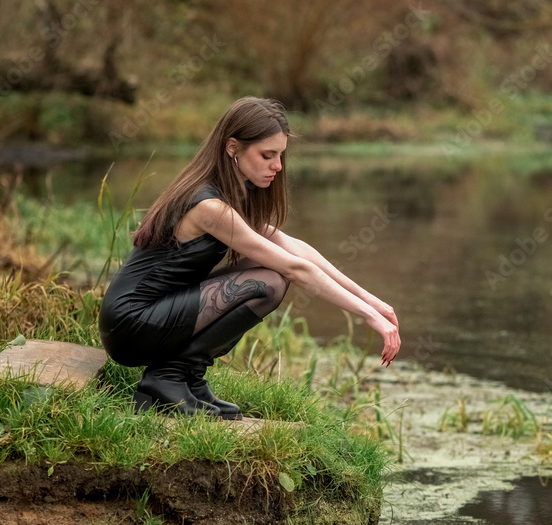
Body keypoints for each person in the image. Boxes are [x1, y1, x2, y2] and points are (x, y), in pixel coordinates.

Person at [99, 97, 401, 420]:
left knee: (271, 272)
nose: (278, 166)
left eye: (280, 155)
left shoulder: (228, 193)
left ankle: (189, 378)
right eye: (267, 155)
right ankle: (166, 378)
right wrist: (367, 316)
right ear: (233, 148)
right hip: (129, 324)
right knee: (269, 281)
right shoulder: (209, 207)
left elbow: (295, 248)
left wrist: (376, 304)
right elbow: (294, 267)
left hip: (155, 311)